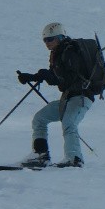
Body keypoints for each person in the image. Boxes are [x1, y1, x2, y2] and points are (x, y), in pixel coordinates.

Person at [16, 22, 95, 167]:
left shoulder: (69, 52)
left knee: (69, 123)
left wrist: (46, 76)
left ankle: (74, 159)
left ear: (59, 37)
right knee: (39, 119)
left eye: (50, 39)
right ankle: (40, 155)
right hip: (68, 98)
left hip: (81, 97)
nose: (47, 43)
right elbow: (55, 77)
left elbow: (70, 78)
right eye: (45, 40)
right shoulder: (57, 54)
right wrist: (33, 77)